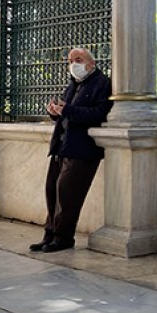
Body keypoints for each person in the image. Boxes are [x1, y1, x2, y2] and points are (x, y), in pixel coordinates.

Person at [29, 48, 113, 253]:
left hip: (82, 149)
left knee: (67, 195)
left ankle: (63, 237)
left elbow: (98, 114)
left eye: (78, 59)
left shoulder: (102, 84)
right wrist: (55, 113)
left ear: (91, 63)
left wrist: (67, 110)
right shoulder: (73, 84)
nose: (73, 63)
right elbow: (67, 113)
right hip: (61, 146)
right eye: (70, 60)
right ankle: (49, 235)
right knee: (52, 191)